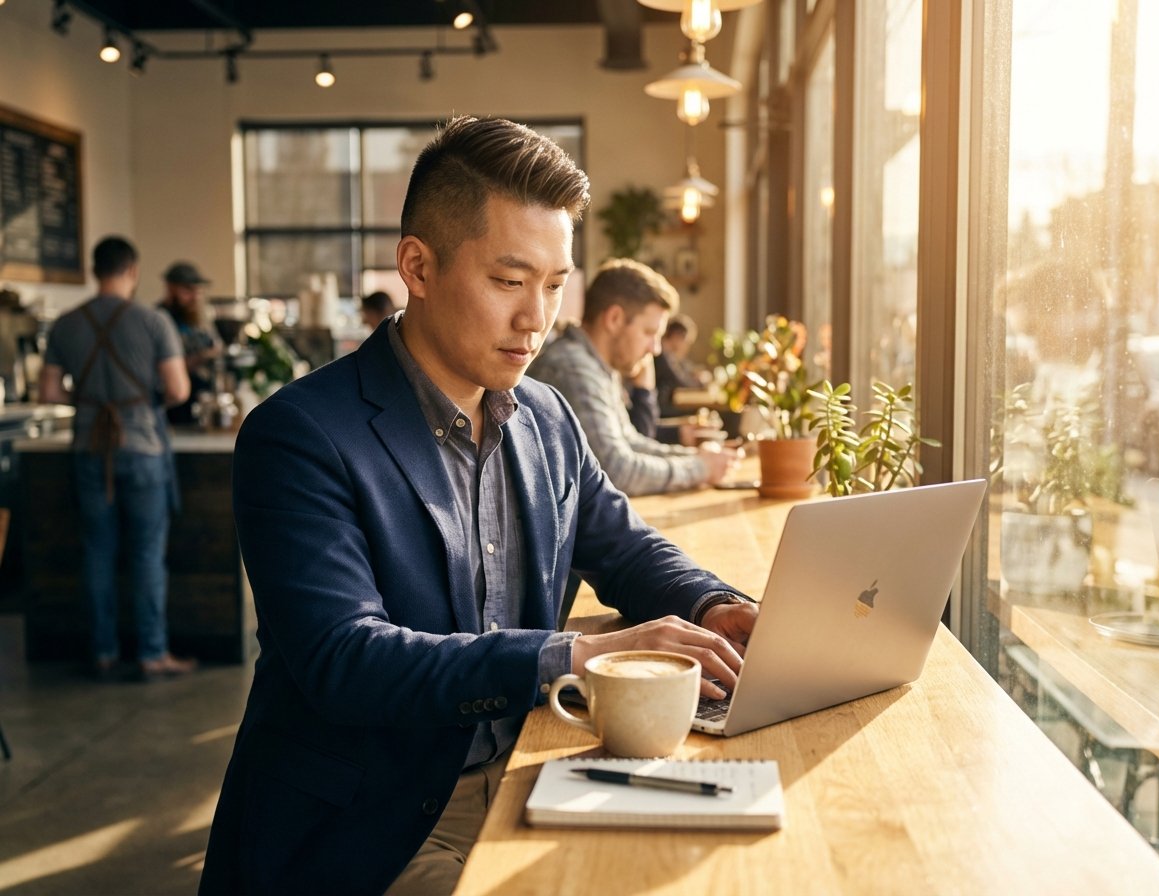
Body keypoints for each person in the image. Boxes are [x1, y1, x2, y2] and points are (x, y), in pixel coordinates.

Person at [199, 115, 758, 896]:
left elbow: (626, 547)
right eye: (508, 281)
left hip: (532, 769)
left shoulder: (548, 418)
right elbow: (344, 659)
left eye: (556, 285)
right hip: (377, 828)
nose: (537, 319)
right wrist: (568, 657)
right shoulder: (299, 436)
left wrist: (714, 603)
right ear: (418, 268)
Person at [38, 236, 197, 680]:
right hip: (143, 447)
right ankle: (151, 653)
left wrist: (91, 402)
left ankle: (104, 652)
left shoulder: (65, 325)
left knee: (97, 553)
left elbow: (49, 392)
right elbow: (179, 390)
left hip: (89, 448)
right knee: (147, 555)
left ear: (94, 270)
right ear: (133, 270)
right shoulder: (153, 321)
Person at [527, 258, 738, 496]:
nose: (655, 349)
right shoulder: (573, 368)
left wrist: (697, 457)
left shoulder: (597, 367)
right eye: (649, 332)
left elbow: (630, 442)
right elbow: (616, 472)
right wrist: (700, 468)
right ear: (614, 319)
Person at [157, 261, 222, 425]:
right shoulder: (159, 321)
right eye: (187, 291)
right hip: (174, 409)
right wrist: (201, 356)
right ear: (170, 288)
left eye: (198, 291)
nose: (195, 297)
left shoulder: (199, 320)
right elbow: (161, 370)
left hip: (201, 403)